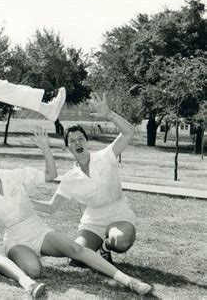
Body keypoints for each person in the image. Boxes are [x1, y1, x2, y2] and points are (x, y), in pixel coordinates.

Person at [0, 131, 152, 296]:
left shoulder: (15, 175)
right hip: (15, 239)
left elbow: (51, 175)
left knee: (76, 250)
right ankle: (20, 261)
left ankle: (128, 280)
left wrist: (45, 149)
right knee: (34, 270)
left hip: (39, 230)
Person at [30, 93, 138, 264]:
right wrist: (25, 200)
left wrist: (109, 114)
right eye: (72, 141)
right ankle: (96, 247)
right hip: (93, 222)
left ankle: (105, 249)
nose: (77, 143)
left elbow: (129, 132)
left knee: (121, 242)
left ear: (86, 142)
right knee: (77, 259)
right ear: (68, 147)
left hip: (120, 215)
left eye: (80, 138)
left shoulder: (105, 156)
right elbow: (52, 208)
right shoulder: (69, 178)